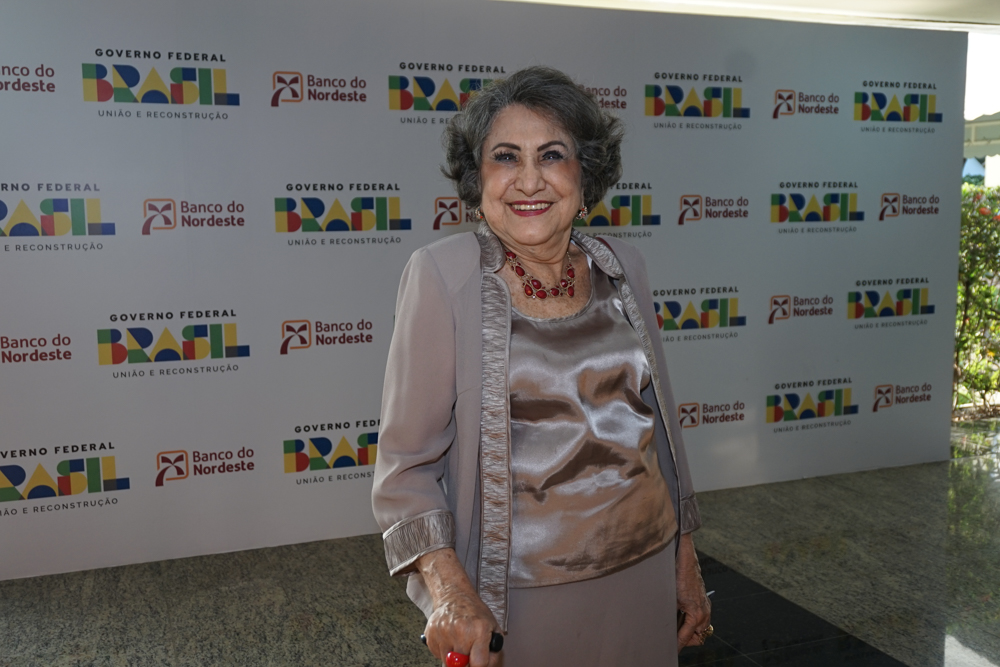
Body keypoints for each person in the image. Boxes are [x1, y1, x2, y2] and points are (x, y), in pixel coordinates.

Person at [372, 66, 711, 667]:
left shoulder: (622, 266)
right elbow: (405, 468)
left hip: (645, 567)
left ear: (585, 174)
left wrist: (684, 557)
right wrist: (450, 592)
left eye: (552, 155)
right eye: (506, 157)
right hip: (522, 595)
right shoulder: (444, 276)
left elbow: (661, 432)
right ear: (478, 178)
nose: (529, 180)